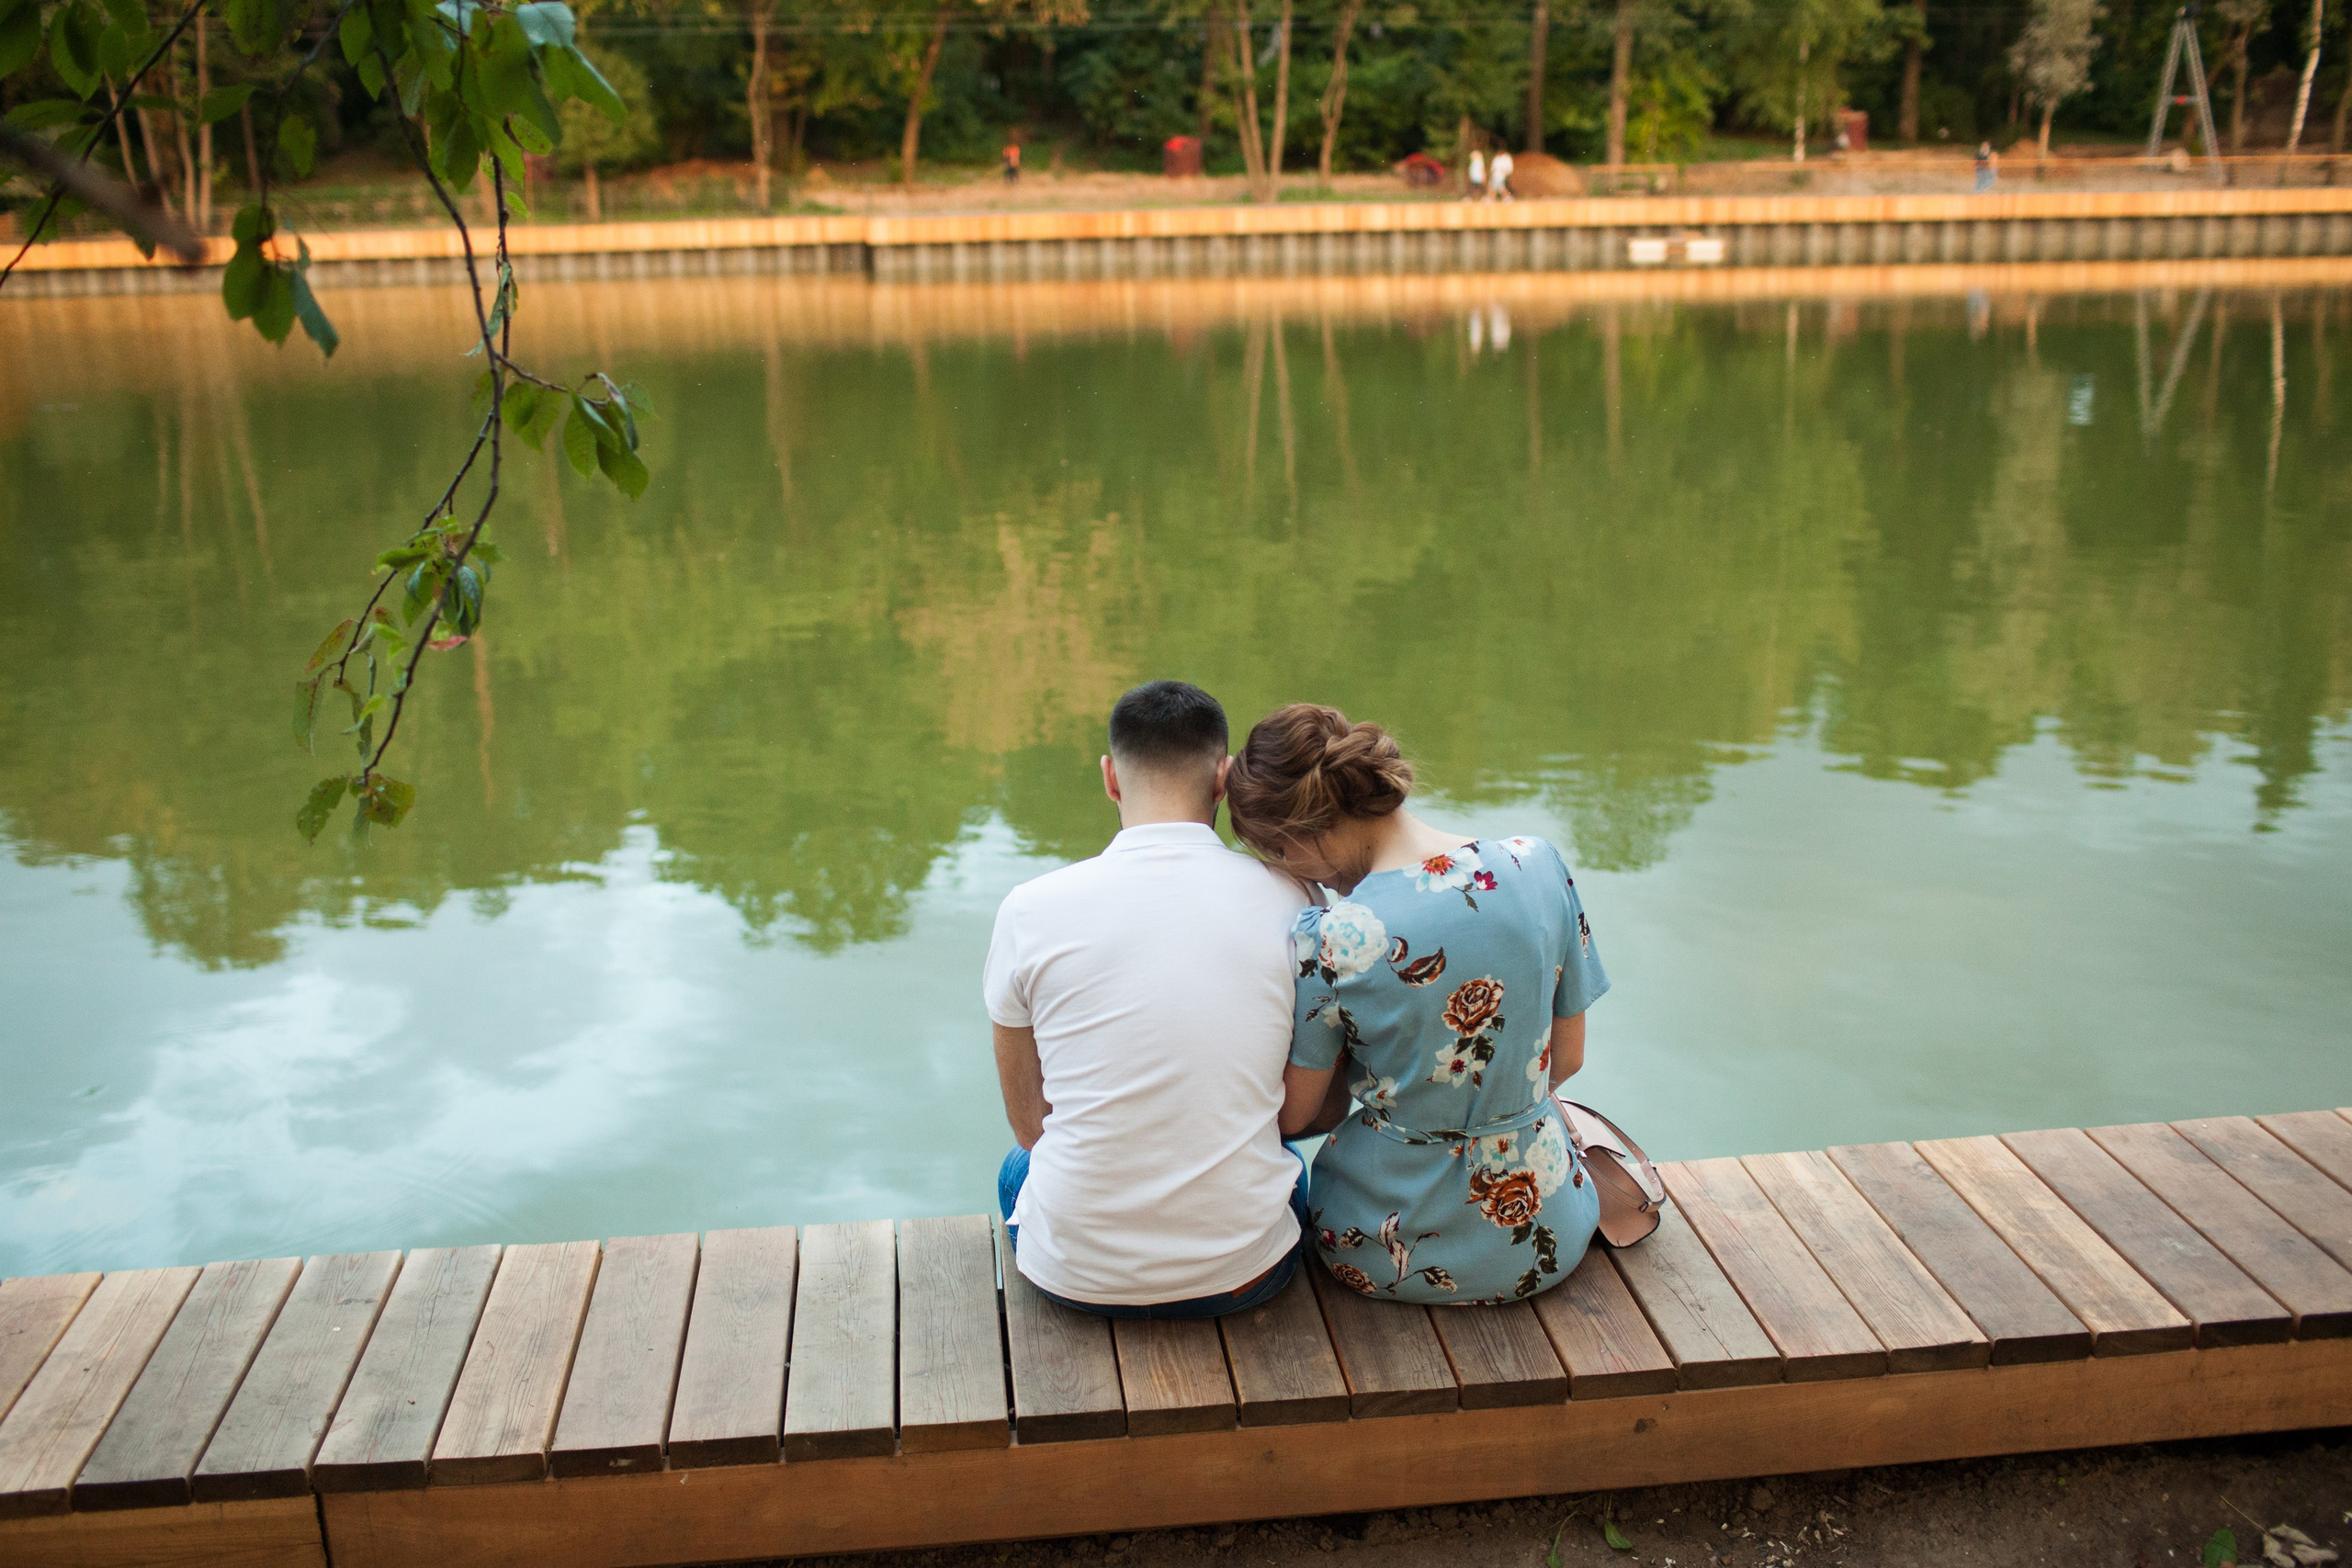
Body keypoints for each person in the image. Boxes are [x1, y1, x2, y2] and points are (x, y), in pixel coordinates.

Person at [1225, 704, 1608, 1305]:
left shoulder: (1330, 935)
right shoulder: (1537, 864)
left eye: (1277, 854)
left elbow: (1295, 1117)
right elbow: (1570, 1058)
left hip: (1377, 1247)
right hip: (1545, 1233)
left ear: (1304, 834)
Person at [985, 681, 1312, 1317]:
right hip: (1246, 1273)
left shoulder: (1030, 908)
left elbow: (1031, 1126)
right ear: (1223, 779)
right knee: (1283, 1154)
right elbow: (1298, 1103)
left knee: (1016, 1167)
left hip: (1075, 1278)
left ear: (1110, 777)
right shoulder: (1291, 897)